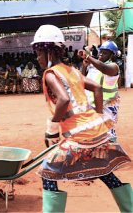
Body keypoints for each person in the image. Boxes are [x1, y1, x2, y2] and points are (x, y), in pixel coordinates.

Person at [31, 24, 132, 212]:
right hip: (98, 133)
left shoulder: (51, 74)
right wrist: (100, 117)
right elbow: (97, 89)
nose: (37, 59)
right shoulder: (73, 71)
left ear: (49, 53)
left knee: (47, 172)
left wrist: (51, 130)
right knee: (104, 172)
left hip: (81, 137)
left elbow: (63, 99)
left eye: (39, 54)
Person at [79, 40, 120, 142]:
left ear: (112, 56)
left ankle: (111, 152)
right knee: (91, 131)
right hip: (93, 103)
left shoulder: (114, 67)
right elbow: (82, 79)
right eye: (100, 52)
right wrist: (84, 66)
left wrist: (88, 57)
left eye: (105, 53)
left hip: (108, 104)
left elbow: (104, 69)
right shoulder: (93, 66)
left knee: (108, 132)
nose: (101, 54)